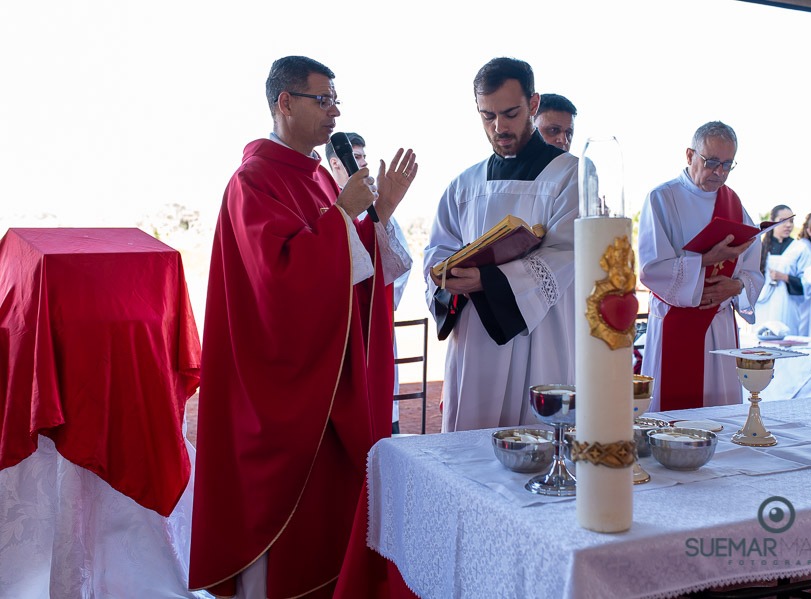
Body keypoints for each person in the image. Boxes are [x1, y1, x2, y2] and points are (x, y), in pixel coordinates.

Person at [189, 56, 417, 599]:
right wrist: (342, 215)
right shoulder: (252, 181)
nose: (335, 113)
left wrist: (377, 213)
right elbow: (279, 279)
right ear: (284, 102)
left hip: (330, 382)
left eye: (337, 101)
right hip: (279, 388)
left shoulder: (315, 173)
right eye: (324, 100)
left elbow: (353, 274)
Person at [423, 57, 578, 432]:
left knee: (536, 444)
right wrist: (446, 276)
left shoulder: (569, 173)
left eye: (510, 113)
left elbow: (567, 253)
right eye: (487, 116)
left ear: (534, 104)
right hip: (475, 335)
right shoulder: (465, 183)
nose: (499, 127)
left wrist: (488, 280)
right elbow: (438, 249)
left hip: (541, 335)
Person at [638, 120, 763, 412]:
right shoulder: (662, 198)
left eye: (728, 165)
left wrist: (738, 286)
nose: (719, 173)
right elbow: (651, 269)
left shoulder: (733, 202)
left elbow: (751, 265)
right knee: (674, 415)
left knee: (721, 410)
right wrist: (706, 260)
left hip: (719, 322)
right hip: (676, 321)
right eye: (712, 162)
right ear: (690, 155)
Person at [325, 131, 411, 434]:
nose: (363, 164)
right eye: (356, 158)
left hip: (372, 323)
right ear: (336, 163)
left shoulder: (373, 205)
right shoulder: (324, 202)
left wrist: (383, 210)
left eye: (363, 157)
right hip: (333, 337)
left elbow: (398, 267)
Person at [754, 204, 803, 334]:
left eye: (791, 221)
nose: (788, 225)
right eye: (783, 221)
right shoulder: (760, 246)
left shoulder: (799, 247)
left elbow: (809, 282)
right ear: (773, 221)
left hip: (788, 305)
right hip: (763, 304)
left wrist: (785, 277)